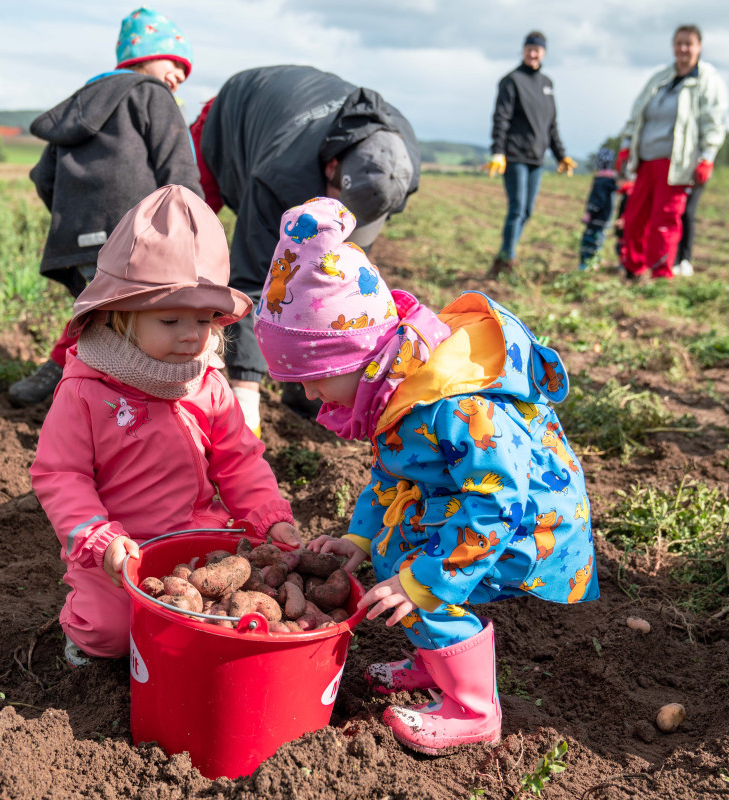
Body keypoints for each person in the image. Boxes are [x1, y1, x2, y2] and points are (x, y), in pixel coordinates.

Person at [254, 197, 598, 754]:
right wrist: (360, 537)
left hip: (529, 523)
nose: (310, 396)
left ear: (358, 357)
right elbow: (392, 474)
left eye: (314, 380)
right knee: (391, 552)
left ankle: (473, 710)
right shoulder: (397, 393)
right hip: (474, 506)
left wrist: (428, 581)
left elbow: (497, 503)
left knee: (415, 578)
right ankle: (432, 662)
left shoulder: (452, 406)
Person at [29, 185, 299, 664]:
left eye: (202, 319)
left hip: (196, 536)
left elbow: (240, 460)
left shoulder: (208, 384)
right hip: (119, 550)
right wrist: (99, 539)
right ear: (119, 317)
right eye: (171, 320)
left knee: (225, 618)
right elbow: (60, 475)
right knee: (109, 634)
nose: (192, 335)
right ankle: (81, 621)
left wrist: (267, 517)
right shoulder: (86, 390)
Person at [190, 65, 420, 434]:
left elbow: (335, 286)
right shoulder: (280, 174)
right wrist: (245, 392)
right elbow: (253, 279)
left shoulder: (399, 159)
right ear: (331, 168)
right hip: (232, 120)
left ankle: (303, 386)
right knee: (189, 236)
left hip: (295, 136)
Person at [9, 7, 204, 407]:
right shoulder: (153, 95)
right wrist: (196, 230)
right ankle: (125, 412)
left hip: (79, 242)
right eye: (175, 63)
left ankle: (67, 389)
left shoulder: (79, 107)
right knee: (138, 330)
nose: (181, 77)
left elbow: (43, 177)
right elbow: (178, 169)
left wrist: (75, 218)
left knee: (101, 319)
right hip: (137, 240)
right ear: (143, 58)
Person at [616, 24, 728, 281]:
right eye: (679, 43)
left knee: (663, 221)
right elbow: (636, 115)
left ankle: (660, 275)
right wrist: (625, 146)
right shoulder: (660, 78)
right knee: (633, 218)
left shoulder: (707, 80)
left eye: (689, 43)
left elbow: (714, 122)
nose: (683, 49)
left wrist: (707, 158)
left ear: (699, 47)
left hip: (677, 164)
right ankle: (634, 270)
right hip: (646, 161)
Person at [486, 31, 577, 279]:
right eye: (529, 49)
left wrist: (561, 155)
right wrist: (497, 151)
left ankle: (504, 255)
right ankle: (507, 257)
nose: (533, 53)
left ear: (544, 52)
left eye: (537, 49)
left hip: (537, 158)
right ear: (524, 50)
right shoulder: (511, 81)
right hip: (514, 155)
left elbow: (551, 124)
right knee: (517, 208)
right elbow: (501, 118)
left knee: (527, 211)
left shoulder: (547, 83)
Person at [577, 147, 620, 270]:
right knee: (599, 240)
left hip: (596, 218)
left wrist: (590, 212)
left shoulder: (600, 181)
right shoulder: (612, 181)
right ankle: (595, 261)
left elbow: (598, 200)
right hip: (606, 218)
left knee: (590, 239)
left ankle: (586, 264)